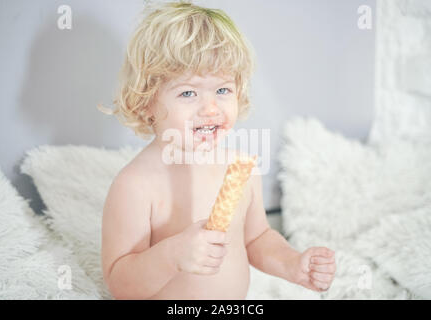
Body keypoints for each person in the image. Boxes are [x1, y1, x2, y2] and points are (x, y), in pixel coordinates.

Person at [99, 0, 336, 300]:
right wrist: (171, 256)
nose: (210, 108)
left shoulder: (240, 169)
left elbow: (257, 238)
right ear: (147, 101)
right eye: (188, 92)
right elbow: (119, 282)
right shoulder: (135, 184)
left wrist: (292, 264)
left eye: (222, 90)